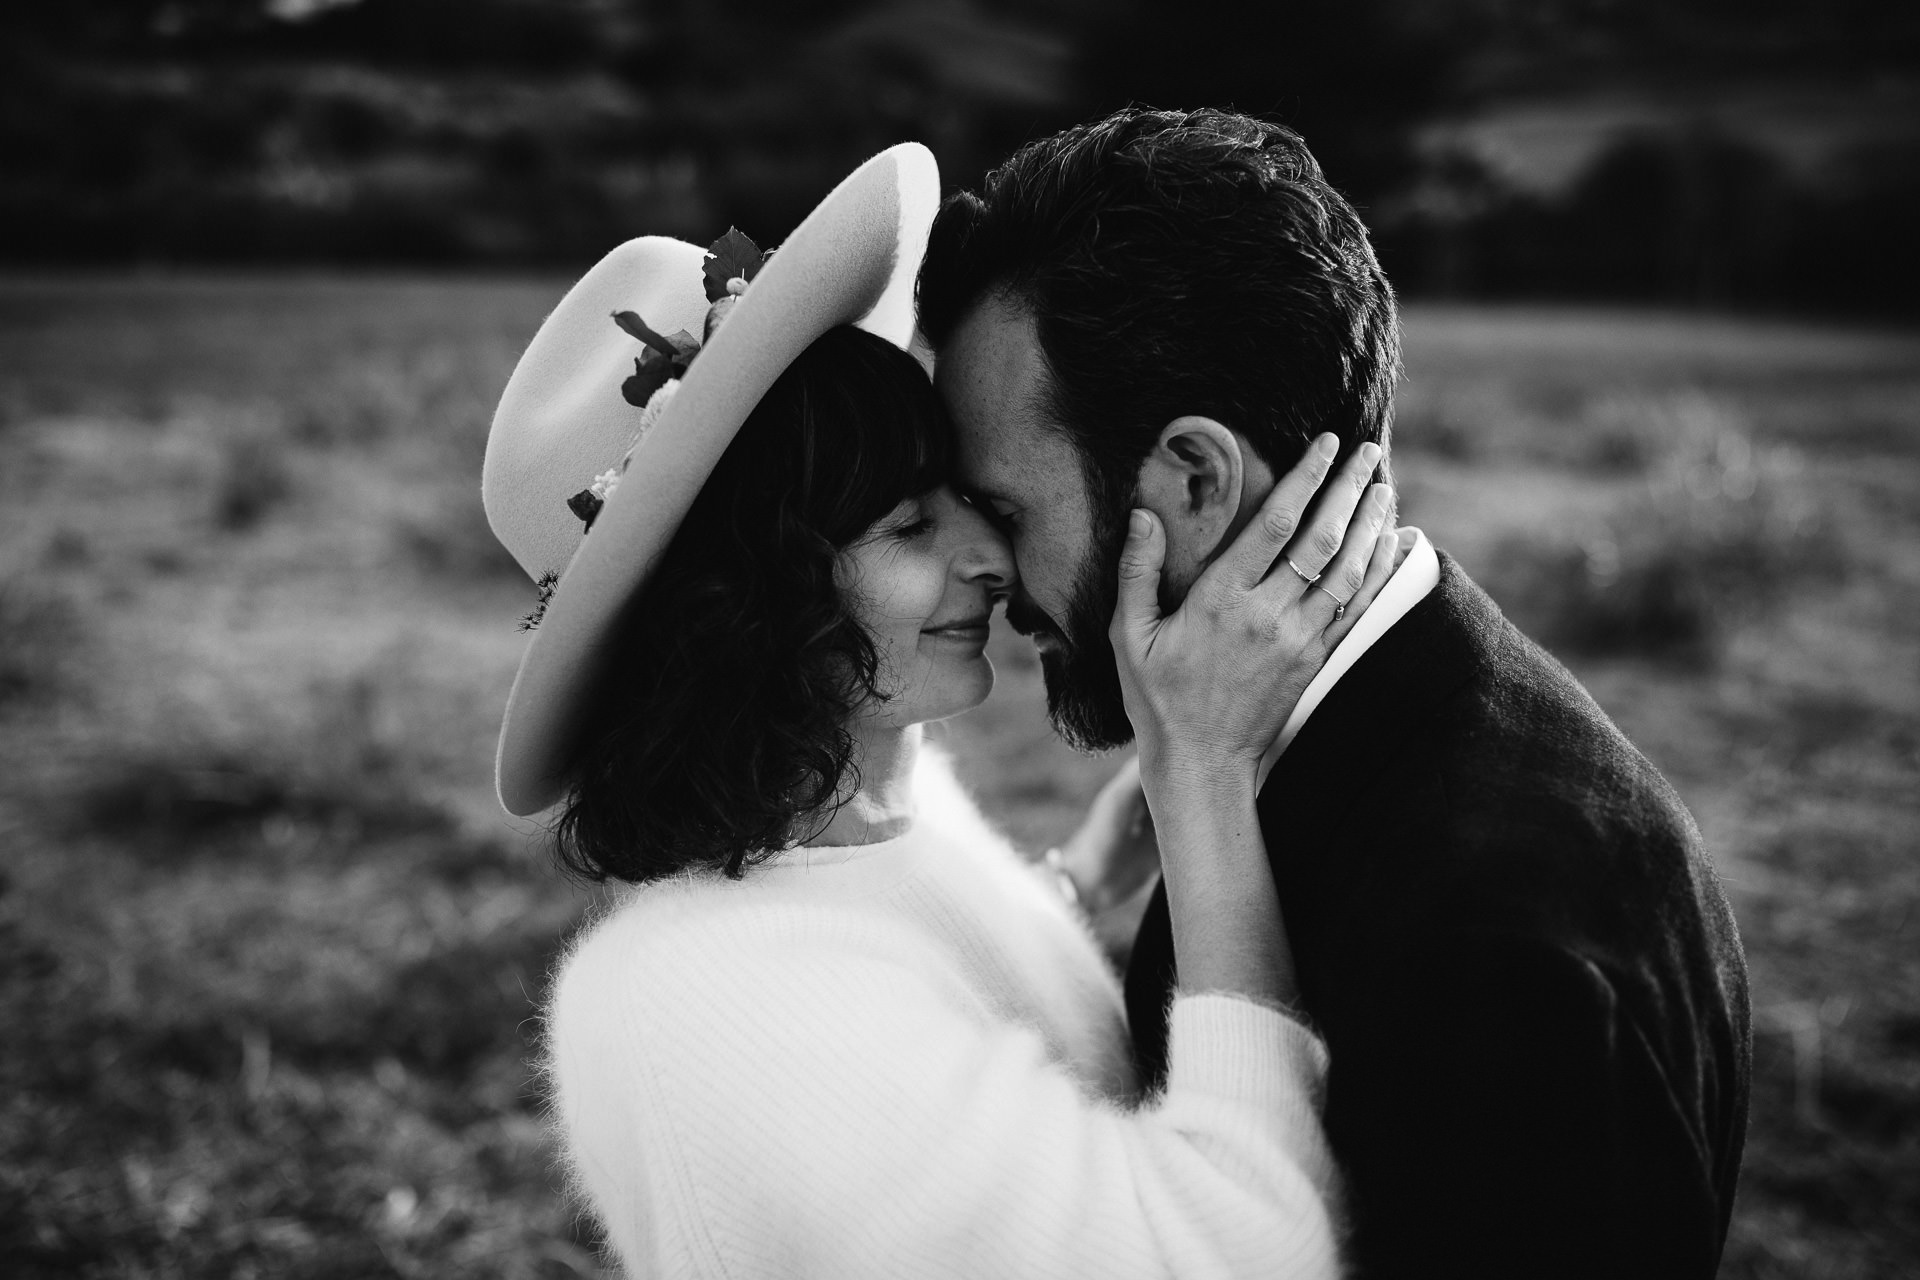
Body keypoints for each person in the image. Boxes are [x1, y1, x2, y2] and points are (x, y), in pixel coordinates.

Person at [481, 145, 1398, 1278]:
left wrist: (1078, 880)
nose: (990, 556)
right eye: (910, 530)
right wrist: (1202, 777)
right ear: (745, 608)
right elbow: (1238, 1252)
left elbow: (934, 1014)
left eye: (966, 495)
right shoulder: (719, 1003)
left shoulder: (864, 806)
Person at [918, 108, 1753, 1279]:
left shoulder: (1498, 937)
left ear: (1195, 480)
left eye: (1007, 509)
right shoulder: (1310, 743)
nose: (996, 576)